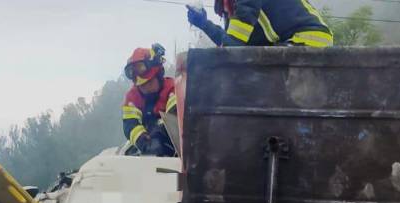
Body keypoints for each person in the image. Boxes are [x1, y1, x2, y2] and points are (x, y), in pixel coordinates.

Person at [187, 0, 333, 47]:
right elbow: (236, 46)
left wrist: (204, 24)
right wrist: (204, 24)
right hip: (297, 41)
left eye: (225, 11)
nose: (227, 15)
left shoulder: (246, 4)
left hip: (306, 41)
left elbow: (233, 48)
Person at [121, 45, 177, 157]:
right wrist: (143, 141)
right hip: (147, 145)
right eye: (141, 85)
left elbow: (175, 118)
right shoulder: (132, 97)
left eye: (149, 83)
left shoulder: (173, 88)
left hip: (174, 144)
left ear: (159, 75)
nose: (145, 88)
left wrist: (159, 133)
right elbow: (130, 125)